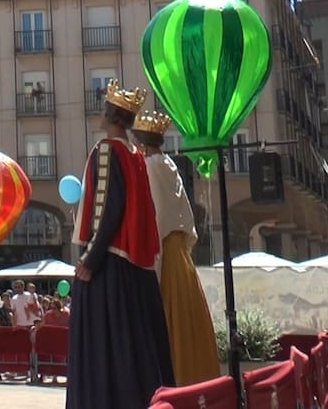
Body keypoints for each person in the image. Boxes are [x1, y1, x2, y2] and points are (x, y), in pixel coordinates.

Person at [67, 80, 174, 409]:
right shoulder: (137, 155)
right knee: (138, 346)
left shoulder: (107, 150)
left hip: (109, 266)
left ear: (111, 116)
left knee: (103, 345)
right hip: (136, 268)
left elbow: (107, 208)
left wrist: (90, 259)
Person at [131, 109, 219, 386]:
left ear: (143, 145)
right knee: (189, 323)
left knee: (170, 326)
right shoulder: (169, 164)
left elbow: (155, 215)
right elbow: (185, 214)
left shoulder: (152, 168)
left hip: (164, 253)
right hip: (181, 253)